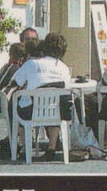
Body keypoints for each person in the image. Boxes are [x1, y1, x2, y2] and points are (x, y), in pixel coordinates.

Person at [10, 31, 71, 160]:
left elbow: (18, 81)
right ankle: (51, 148)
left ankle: (24, 146)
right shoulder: (64, 68)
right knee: (54, 110)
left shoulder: (32, 64)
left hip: (31, 112)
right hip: (55, 111)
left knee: (19, 103)